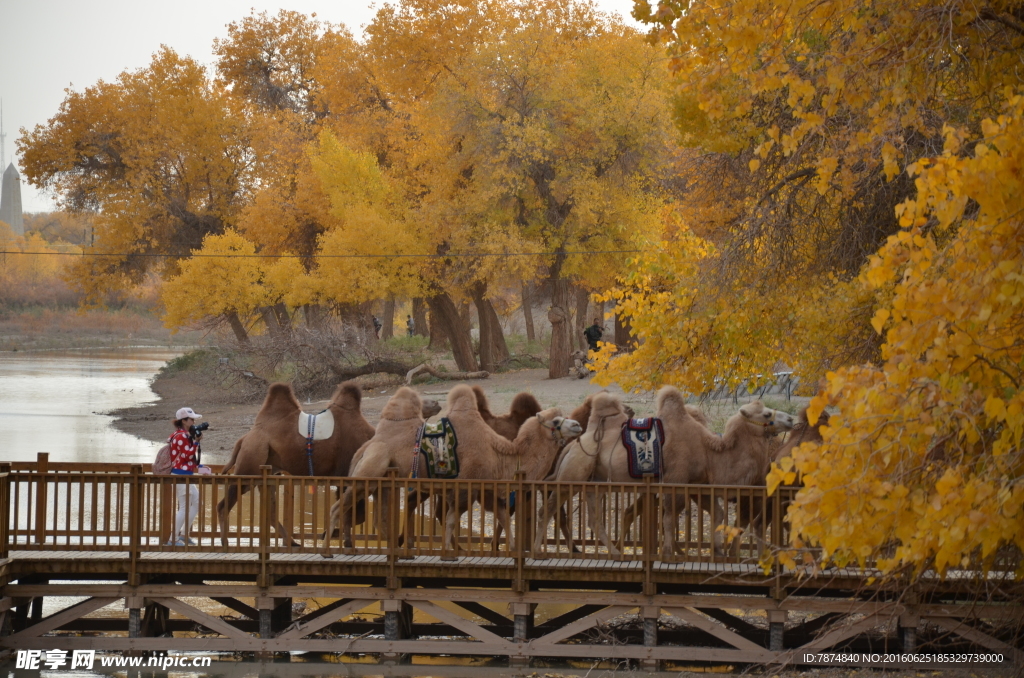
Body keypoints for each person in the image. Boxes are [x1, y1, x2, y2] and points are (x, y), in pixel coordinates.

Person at [167, 407, 209, 546]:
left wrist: (198, 466)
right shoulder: (181, 436)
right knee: (184, 506)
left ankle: (184, 535)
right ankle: (173, 538)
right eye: (191, 419)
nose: (193, 422)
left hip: (185, 473)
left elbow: (188, 458)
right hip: (180, 474)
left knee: (197, 502)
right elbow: (186, 456)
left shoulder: (182, 435)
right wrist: (196, 442)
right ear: (184, 421)